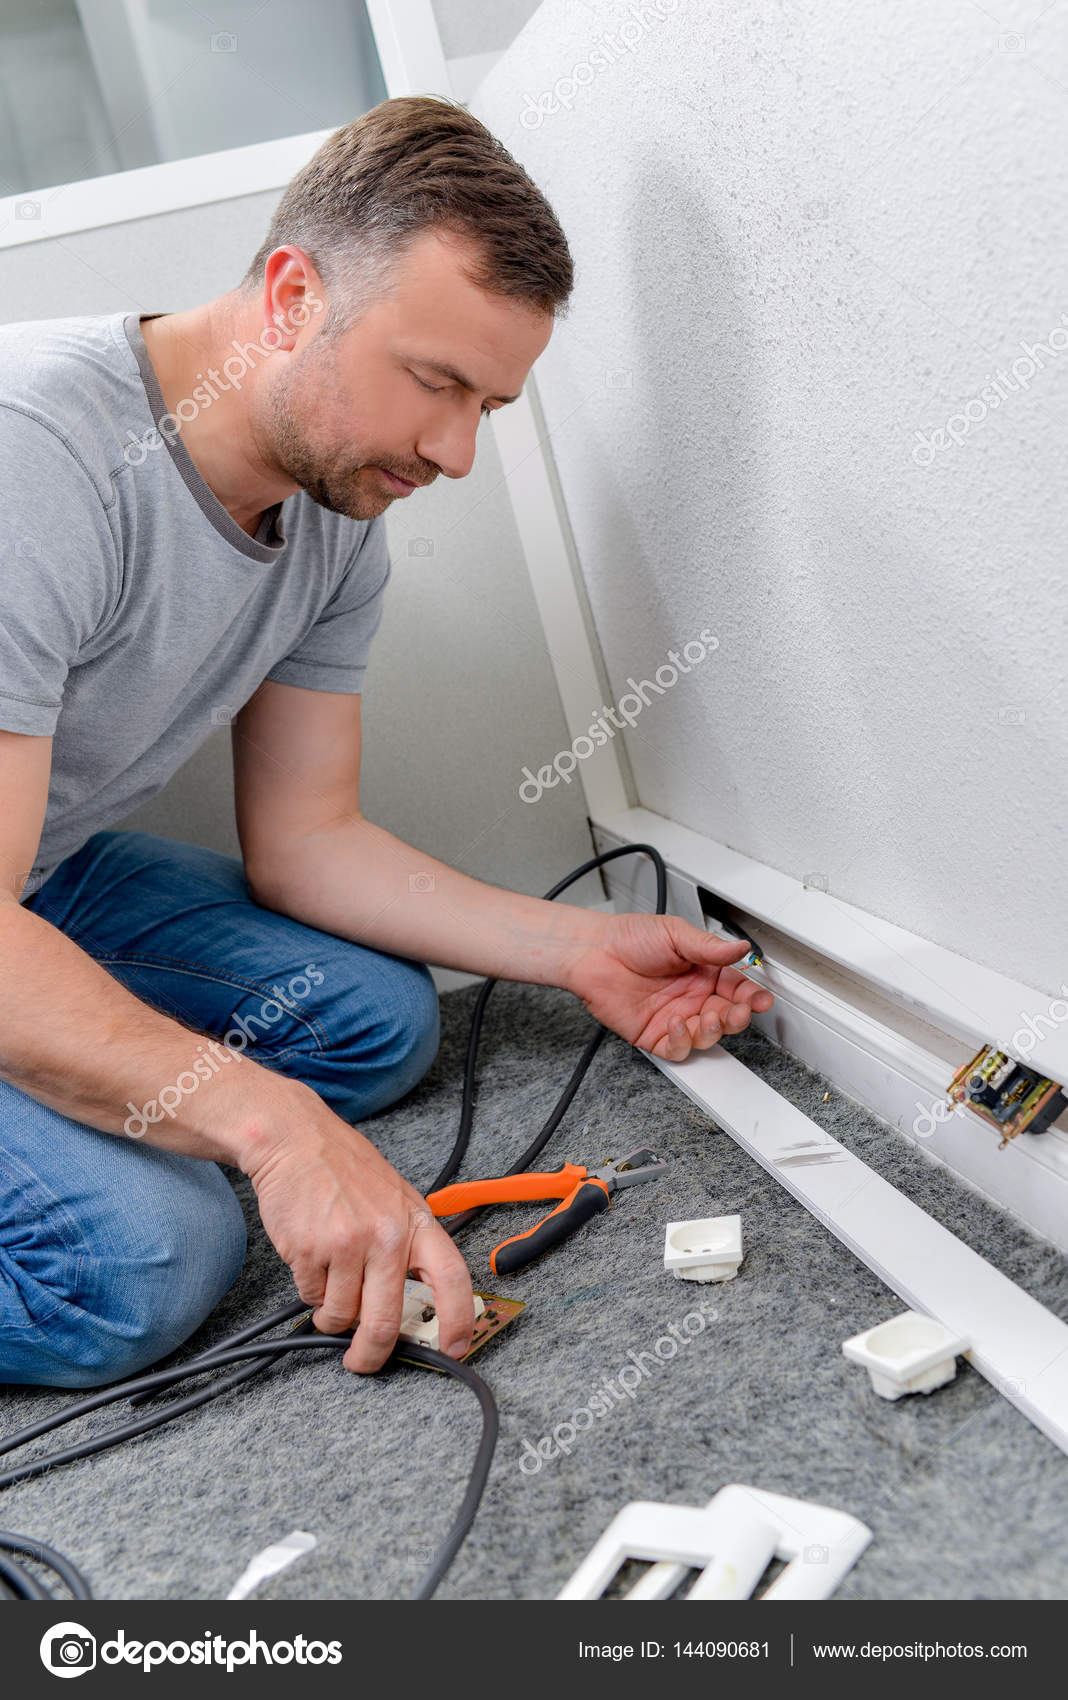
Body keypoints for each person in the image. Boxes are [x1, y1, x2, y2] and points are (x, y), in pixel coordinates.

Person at [0, 96, 773, 1391]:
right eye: (434, 384)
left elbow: (308, 841)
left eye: (490, 404)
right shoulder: (38, 462)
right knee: (134, 1263)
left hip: (39, 865)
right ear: (294, 296)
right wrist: (269, 1129)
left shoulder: (333, 509)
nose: (456, 450)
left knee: (363, 1026)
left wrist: (578, 951)